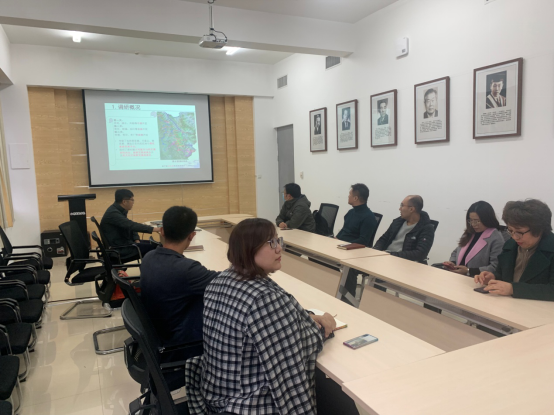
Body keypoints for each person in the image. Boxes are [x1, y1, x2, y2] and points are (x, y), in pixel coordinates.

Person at [185, 218, 358, 414]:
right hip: (245, 403)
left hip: (217, 392)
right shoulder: (263, 298)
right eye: (272, 243)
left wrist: (305, 317)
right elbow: (301, 346)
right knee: (338, 398)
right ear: (249, 249)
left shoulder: (220, 281)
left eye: (279, 241)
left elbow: (266, 324)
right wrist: (325, 325)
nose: (279, 249)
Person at [140, 206, 219, 356]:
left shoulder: (148, 257)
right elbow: (226, 282)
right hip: (182, 343)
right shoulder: (187, 270)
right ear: (192, 235)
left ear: (162, 231)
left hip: (160, 334)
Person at [475, 199, 554, 301]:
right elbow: (503, 274)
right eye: (510, 230)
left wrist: (513, 289)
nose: (514, 237)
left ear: (539, 230)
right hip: (509, 304)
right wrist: (493, 277)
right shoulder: (510, 245)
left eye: (519, 232)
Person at [442, 201, 504, 277]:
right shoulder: (470, 232)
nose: (473, 224)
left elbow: (495, 267)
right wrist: (453, 263)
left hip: (476, 279)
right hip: (458, 276)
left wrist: (469, 271)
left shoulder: (496, 238)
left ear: (487, 219)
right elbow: (456, 251)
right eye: (471, 220)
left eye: (477, 221)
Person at [100, 189, 161, 259]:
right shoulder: (113, 213)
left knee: (156, 245)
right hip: (120, 249)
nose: (133, 202)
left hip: (125, 243)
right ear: (124, 202)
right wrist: (157, 229)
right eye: (132, 200)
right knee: (156, 248)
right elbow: (131, 225)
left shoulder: (118, 210)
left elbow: (128, 226)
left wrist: (136, 238)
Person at [373, 195, 435, 263]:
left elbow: (420, 254)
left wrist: (390, 254)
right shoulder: (398, 221)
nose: (399, 209)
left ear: (411, 209)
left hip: (404, 262)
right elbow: (383, 239)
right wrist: (376, 251)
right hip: (385, 257)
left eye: (402, 205)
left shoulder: (427, 228)